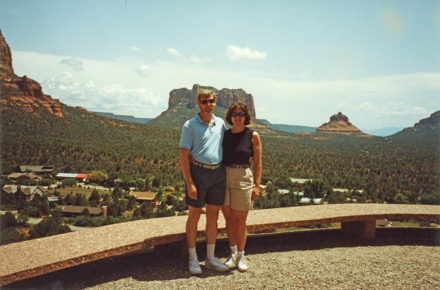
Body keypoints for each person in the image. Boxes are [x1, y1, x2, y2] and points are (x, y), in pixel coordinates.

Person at [179, 90, 229, 275]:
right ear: (198, 104)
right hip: (198, 173)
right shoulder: (190, 125)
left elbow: (227, 145)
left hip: (218, 173)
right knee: (194, 215)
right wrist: (189, 182)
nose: (208, 104)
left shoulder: (220, 123)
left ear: (215, 103)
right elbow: (184, 155)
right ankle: (193, 258)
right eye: (205, 101)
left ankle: (210, 258)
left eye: (211, 101)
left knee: (213, 217)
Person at [221, 102, 262, 272]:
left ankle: (241, 254)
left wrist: (257, 185)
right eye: (235, 114)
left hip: (243, 176)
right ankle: (233, 254)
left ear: (246, 116)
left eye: (241, 114)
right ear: (230, 116)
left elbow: (258, 163)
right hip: (224, 176)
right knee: (229, 218)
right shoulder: (225, 134)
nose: (238, 117)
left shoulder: (252, 135)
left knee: (241, 220)